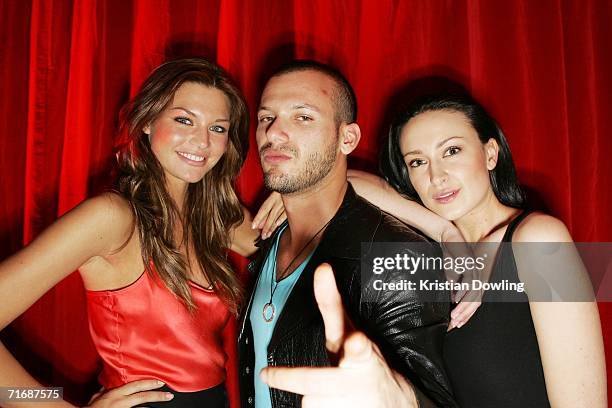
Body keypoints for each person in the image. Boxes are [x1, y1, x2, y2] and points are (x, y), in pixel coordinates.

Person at [0, 58, 285, 408]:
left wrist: (346, 182)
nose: (201, 141)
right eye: (184, 120)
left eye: (218, 128)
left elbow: (292, 249)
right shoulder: (112, 218)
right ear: (148, 122)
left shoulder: (215, 218)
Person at [349, 94, 607, 407]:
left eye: (452, 151)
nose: (436, 176)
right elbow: (344, 181)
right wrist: (445, 231)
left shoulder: (538, 239)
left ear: (490, 154)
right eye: (418, 162)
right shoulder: (429, 258)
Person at [238, 60, 457, 408]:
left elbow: (436, 399)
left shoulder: (397, 256)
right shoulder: (270, 240)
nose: (274, 133)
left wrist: (398, 402)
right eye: (267, 117)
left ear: (347, 138)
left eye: (303, 117)